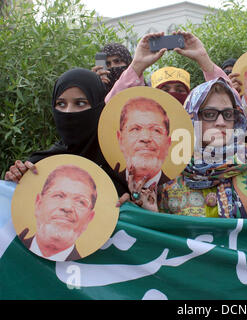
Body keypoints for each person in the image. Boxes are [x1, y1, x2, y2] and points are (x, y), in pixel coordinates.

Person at [127, 78, 247, 218]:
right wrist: (152, 214)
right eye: (209, 114)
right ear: (192, 118)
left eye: (228, 114)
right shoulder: (171, 174)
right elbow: (165, 243)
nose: (221, 122)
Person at [4, 68, 129, 197]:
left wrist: (135, 204)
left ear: (99, 108)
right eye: (61, 104)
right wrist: (14, 182)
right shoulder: (39, 167)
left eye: (80, 103)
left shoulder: (123, 168)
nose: (68, 112)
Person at [105, 31, 232, 105]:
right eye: (165, 90)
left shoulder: (200, 121)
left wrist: (204, 59)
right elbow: (112, 105)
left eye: (179, 89)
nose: (172, 94)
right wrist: (137, 65)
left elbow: (230, 102)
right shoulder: (141, 122)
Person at [18, 165, 97, 261]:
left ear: (89, 219)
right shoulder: (9, 243)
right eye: (59, 196)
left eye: (80, 202)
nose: (67, 207)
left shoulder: (90, 268)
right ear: (38, 204)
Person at [116, 96, 172, 192]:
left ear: (168, 142)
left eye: (156, 130)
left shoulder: (182, 188)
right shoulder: (108, 184)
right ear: (120, 139)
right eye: (135, 129)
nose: (145, 138)